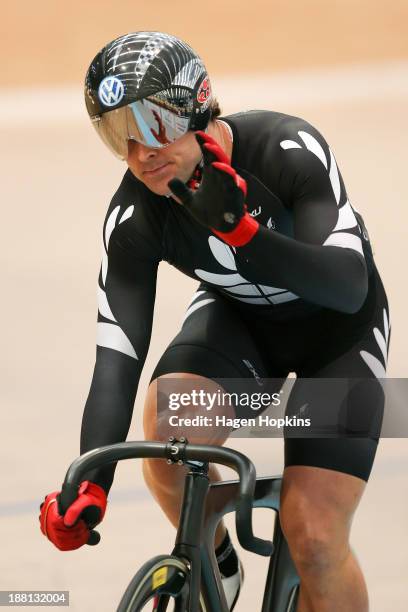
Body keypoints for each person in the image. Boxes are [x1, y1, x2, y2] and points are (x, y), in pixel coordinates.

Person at [39, 31, 391, 612]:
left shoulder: (288, 148)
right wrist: (89, 483)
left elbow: (348, 288)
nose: (140, 153)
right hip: (242, 324)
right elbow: (116, 359)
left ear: (195, 105)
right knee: (168, 435)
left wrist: (245, 236)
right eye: (117, 136)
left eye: (152, 125)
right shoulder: (134, 215)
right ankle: (217, 561)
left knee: (316, 538)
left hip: (339, 336)